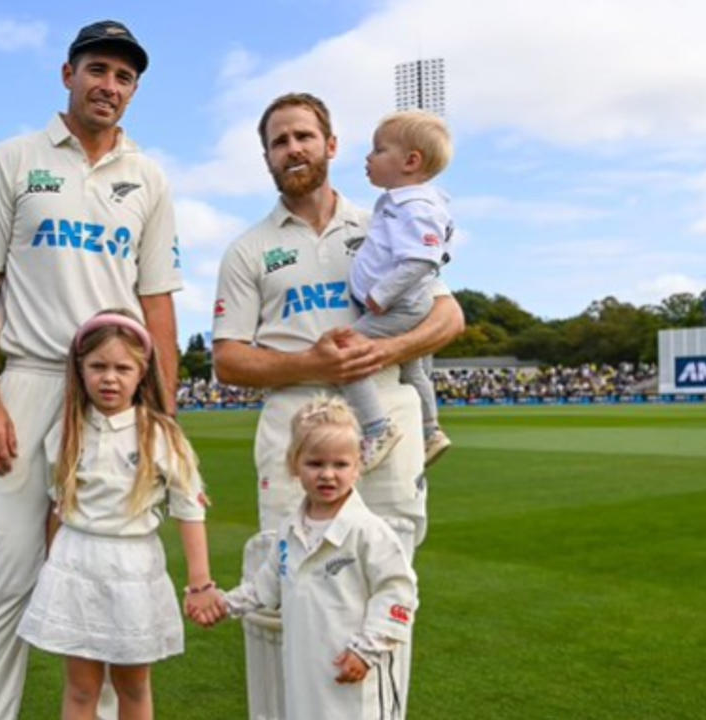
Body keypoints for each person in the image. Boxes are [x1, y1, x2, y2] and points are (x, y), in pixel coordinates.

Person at [211, 92, 464, 717]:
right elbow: (228, 360)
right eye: (278, 141)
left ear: (331, 145)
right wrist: (312, 364)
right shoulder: (249, 248)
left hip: (383, 426)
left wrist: (388, 350)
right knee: (281, 599)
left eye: (303, 135)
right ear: (267, 157)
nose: (292, 148)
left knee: (386, 590)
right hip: (293, 430)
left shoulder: (389, 217)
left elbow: (448, 314)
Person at [0, 19, 181, 720]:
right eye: (98, 71)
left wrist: (165, 416)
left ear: (134, 90)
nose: (109, 86)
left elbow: (158, 302)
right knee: (7, 576)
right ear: (67, 74)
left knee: (112, 573)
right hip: (28, 381)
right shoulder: (14, 159)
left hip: (116, 394)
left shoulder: (148, 177)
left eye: (124, 77)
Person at [16, 310, 224, 720]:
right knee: (80, 688)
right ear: (80, 369)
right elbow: (60, 508)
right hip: (77, 563)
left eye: (122, 368)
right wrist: (51, 565)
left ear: (141, 371)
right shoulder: (65, 432)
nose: (109, 378)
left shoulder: (161, 434)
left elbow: (189, 509)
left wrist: (200, 583)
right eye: (98, 366)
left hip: (134, 566)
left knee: (133, 685)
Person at [217, 396, 417, 720]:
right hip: (306, 674)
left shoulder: (369, 531)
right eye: (315, 463)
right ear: (295, 464)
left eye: (340, 464)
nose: (327, 474)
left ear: (357, 466)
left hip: (355, 673)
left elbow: (399, 593)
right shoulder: (289, 531)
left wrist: (366, 651)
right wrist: (223, 604)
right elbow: (266, 587)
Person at [342, 110, 456, 471]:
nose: (368, 157)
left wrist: (381, 295)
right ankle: (431, 431)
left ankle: (377, 428)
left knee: (348, 355)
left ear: (410, 161)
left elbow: (423, 260)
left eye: (378, 150)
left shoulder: (415, 207)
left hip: (398, 307)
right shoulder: (404, 203)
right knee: (414, 370)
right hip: (406, 304)